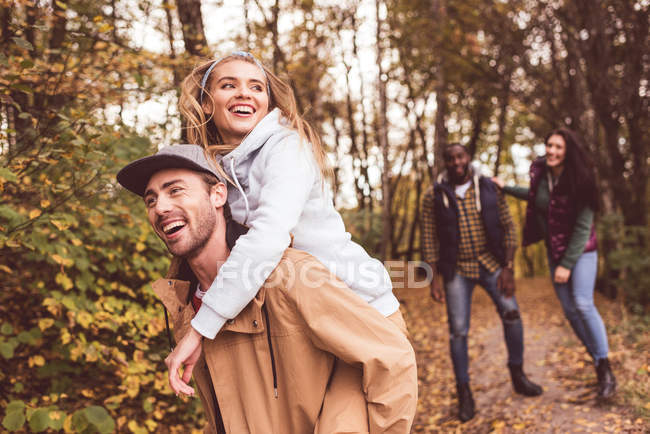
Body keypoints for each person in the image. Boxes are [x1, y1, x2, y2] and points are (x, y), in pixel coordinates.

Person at [116, 144, 418, 433]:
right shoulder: (184, 305)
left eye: (175, 190)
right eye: (151, 199)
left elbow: (392, 358)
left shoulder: (290, 276)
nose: (161, 207)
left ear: (218, 194)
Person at [165, 51, 403, 394]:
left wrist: (202, 328)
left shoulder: (287, 148)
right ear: (205, 103)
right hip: (302, 328)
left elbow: (268, 238)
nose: (244, 93)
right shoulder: (214, 172)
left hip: (363, 314)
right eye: (228, 85)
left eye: (256, 87)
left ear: (266, 101)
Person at [421, 143, 542, 422]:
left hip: (491, 264)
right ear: (445, 162)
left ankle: (518, 375)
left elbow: (509, 227)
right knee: (458, 331)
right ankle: (464, 393)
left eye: (460, 156)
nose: (456, 162)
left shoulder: (488, 187)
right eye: (450, 158)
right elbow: (428, 238)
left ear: (468, 158)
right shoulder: (434, 195)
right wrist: (433, 279)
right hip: (457, 269)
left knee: (512, 314)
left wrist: (509, 268)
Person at [492, 128, 616, 399]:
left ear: (568, 151)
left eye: (558, 147)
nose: (552, 151)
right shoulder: (542, 174)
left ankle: (605, 368)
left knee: (583, 303)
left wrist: (567, 264)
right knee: (570, 311)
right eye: (549, 145)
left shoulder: (582, 179)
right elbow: (536, 198)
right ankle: (597, 362)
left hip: (581, 251)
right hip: (554, 251)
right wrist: (506, 188)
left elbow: (584, 226)